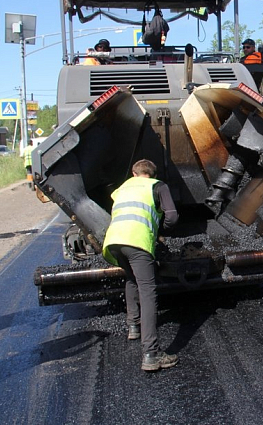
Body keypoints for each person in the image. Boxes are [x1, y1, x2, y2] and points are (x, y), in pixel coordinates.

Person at [102, 159, 180, 372]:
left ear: (135, 174)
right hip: (138, 242)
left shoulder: (122, 188)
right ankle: (151, 354)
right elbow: (172, 216)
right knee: (148, 292)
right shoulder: (157, 186)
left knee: (131, 279)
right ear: (152, 175)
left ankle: (133, 325)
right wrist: (160, 230)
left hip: (114, 242)